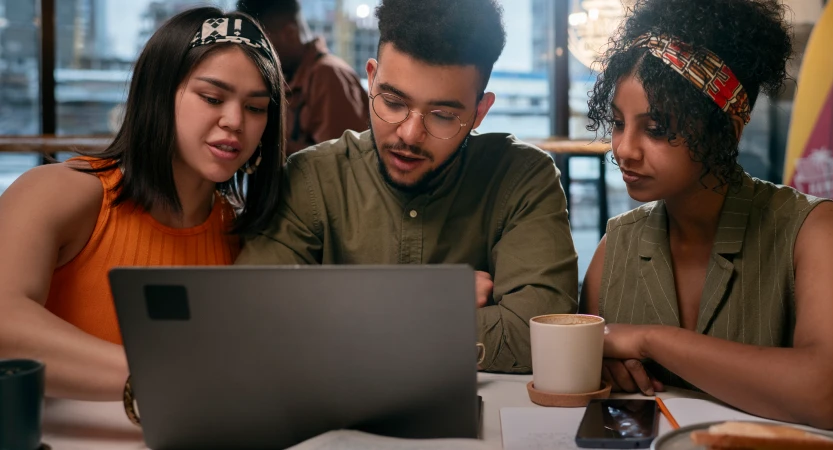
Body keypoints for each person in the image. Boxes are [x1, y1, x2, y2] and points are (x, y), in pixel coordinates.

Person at [579, 0, 833, 446]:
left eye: (656, 129)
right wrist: (601, 365)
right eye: (617, 123)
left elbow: (828, 394)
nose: (624, 149)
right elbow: (592, 374)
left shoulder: (819, 232)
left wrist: (650, 340)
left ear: (727, 128)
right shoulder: (615, 248)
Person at [236, 0, 579, 373]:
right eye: (394, 102)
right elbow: (253, 316)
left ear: (480, 111)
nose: (410, 135)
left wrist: (342, 315)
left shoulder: (523, 178)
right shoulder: (312, 178)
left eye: (444, 115)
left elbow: (539, 338)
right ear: (371, 78)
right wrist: (431, 298)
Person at [0, 7, 286, 401]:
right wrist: (159, 378)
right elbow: (4, 326)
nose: (235, 120)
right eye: (212, 97)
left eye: (256, 107)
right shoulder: (60, 193)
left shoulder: (244, 236)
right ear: (159, 93)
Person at [236, 0, 369, 154]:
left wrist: (269, 144)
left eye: (262, 45)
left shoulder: (328, 76)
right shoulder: (289, 76)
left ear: (289, 33)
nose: (258, 55)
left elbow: (343, 163)